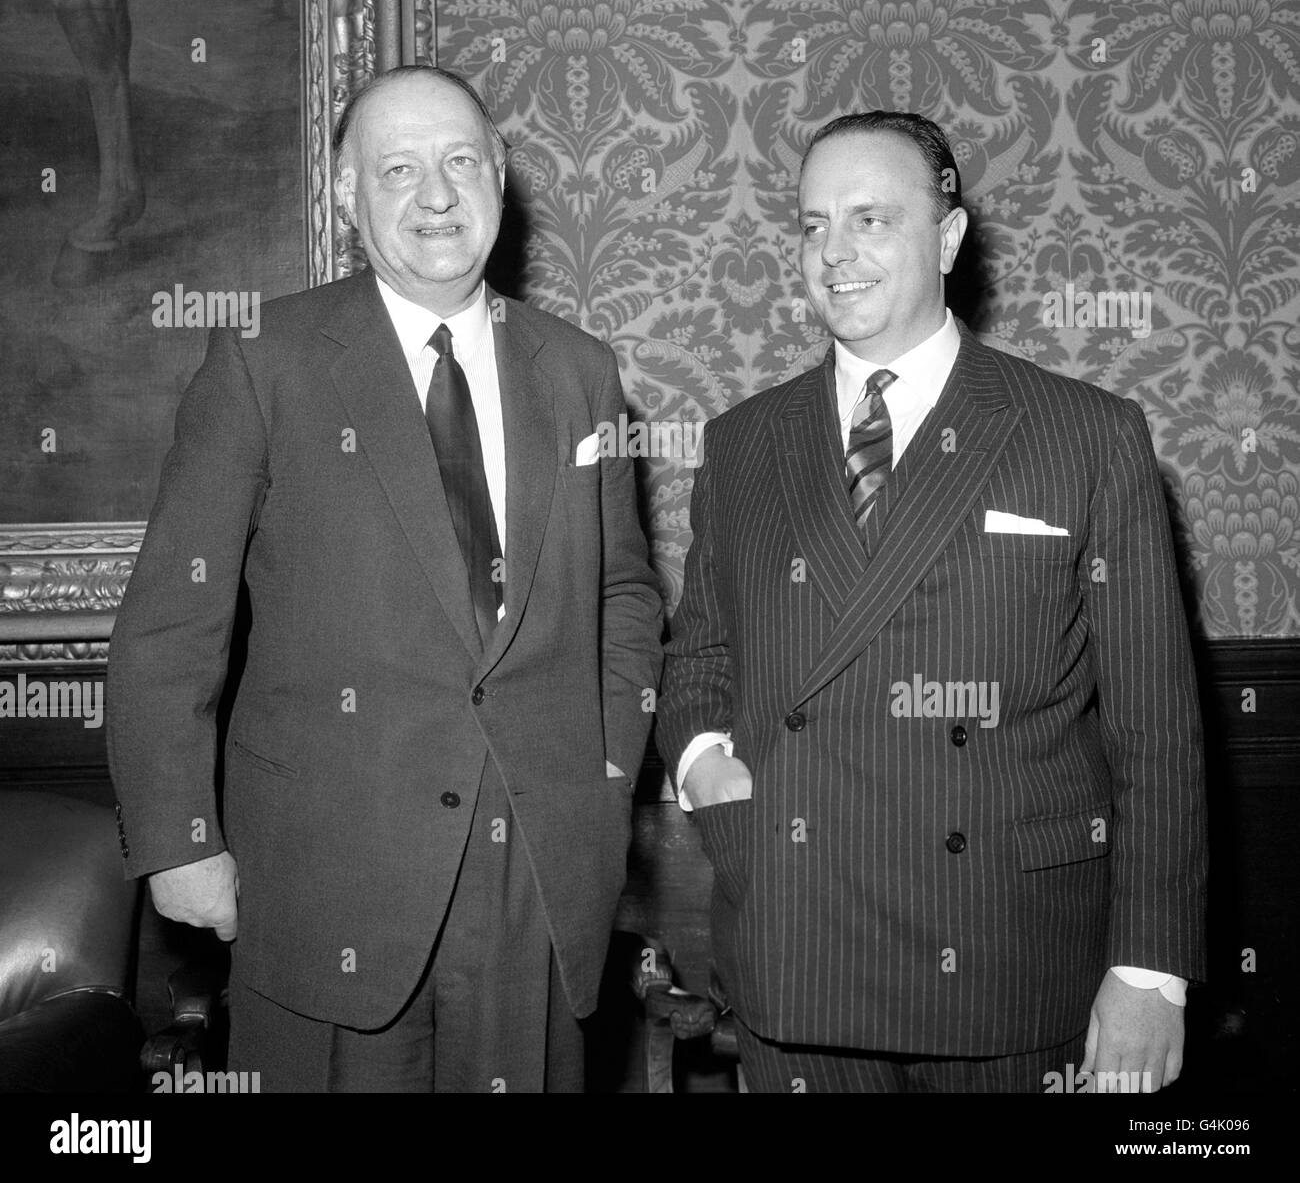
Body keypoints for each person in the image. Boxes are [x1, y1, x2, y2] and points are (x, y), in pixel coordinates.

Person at [108, 65, 664, 1092]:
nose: (437, 196)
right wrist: (182, 840)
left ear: (501, 176)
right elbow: (169, 622)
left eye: (461, 161)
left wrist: (604, 773)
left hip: (535, 874)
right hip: (327, 881)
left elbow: (624, 595)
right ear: (345, 197)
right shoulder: (262, 361)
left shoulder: (580, 369)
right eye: (397, 168)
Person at [656, 111, 1207, 1094]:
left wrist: (1149, 971)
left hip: (1006, 957)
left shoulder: (1085, 434)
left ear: (947, 236)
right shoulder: (743, 442)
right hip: (800, 946)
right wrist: (707, 768)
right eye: (812, 224)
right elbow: (698, 655)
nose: (834, 253)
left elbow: (1156, 731)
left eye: (870, 219)